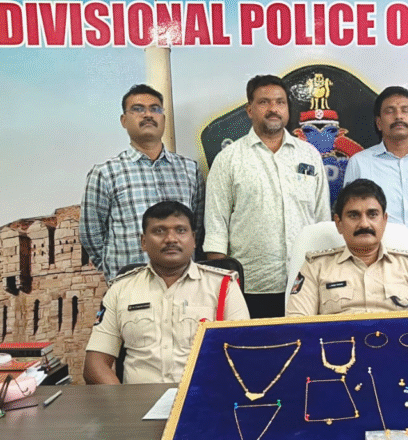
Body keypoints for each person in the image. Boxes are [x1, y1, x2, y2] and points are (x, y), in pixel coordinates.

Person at [203, 75, 330, 318]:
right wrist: (221, 290)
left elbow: (323, 221)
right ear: (250, 110)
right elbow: (216, 228)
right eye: (264, 102)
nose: (273, 109)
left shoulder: (309, 155)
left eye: (280, 102)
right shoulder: (229, 159)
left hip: (305, 284)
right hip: (250, 288)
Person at [84, 201, 248, 384]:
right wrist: (123, 400)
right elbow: (95, 365)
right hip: (139, 400)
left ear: (194, 239)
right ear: (143, 242)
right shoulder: (121, 289)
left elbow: (243, 355)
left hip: (203, 397)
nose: (171, 239)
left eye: (181, 230)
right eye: (159, 231)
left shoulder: (223, 286)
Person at [81, 84, 204, 282]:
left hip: (185, 284)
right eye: (138, 109)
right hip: (130, 285)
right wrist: (114, 270)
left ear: (163, 118)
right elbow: (91, 234)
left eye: (155, 109)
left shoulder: (189, 169)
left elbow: (197, 226)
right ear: (124, 120)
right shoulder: (106, 173)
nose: (148, 115)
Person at [287, 179, 408, 316]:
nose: (364, 224)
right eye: (353, 215)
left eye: (372, 214)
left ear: (384, 220)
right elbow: (296, 325)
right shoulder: (315, 268)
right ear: (339, 223)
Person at [343, 86, 408, 265]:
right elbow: (350, 220)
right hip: (377, 266)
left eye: (405, 110)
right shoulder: (359, 163)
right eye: (390, 111)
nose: (398, 116)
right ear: (379, 123)